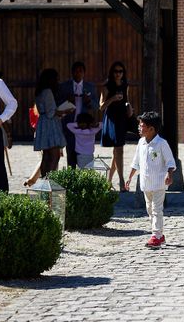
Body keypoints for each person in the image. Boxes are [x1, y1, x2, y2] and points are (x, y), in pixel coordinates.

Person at [125, 111, 176, 248]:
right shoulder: (141, 143)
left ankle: (156, 235)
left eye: (142, 126)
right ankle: (160, 234)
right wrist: (129, 177)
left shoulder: (161, 143)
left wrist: (169, 175)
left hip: (159, 183)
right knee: (149, 209)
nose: (139, 128)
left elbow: (170, 162)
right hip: (146, 184)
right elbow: (136, 162)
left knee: (156, 209)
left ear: (152, 129)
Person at [28, 68, 72, 186]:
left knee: (46, 155)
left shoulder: (40, 91)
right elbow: (51, 112)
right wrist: (65, 110)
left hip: (43, 123)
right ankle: (50, 182)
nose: (58, 81)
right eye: (56, 78)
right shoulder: (47, 91)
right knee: (54, 155)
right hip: (50, 124)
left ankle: (44, 181)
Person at [100, 61, 133, 191]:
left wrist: (130, 109)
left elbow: (127, 100)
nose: (118, 74)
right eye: (116, 71)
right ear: (112, 72)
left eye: (120, 71)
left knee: (117, 151)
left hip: (122, 118)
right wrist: (112, 99)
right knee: (119, 149)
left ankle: (108, 181)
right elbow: (101, 106)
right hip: (112, 119)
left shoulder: (126, 85)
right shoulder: (107, 86)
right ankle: (121, 181)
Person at [58, 61, 97, 169]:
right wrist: (67, 100)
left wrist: (88, 101)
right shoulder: (64, 87)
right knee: (70, 152)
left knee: (84, 154)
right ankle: (71, 177)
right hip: (70, 124)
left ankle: (83, 177)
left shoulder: (90, 87)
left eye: (80, 71)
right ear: (72, 73)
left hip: (84, 126)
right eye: (75, 71)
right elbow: (57, 105)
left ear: (84, 73)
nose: (78, 73)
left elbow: (95, 106)